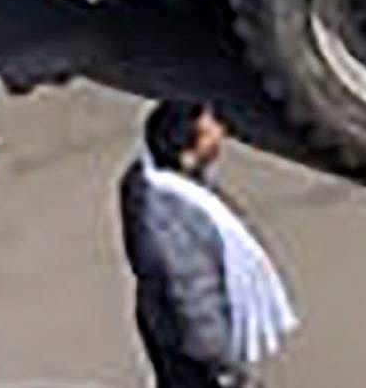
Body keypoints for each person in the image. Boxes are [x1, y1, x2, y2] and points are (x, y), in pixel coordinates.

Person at [121, 99, 298, 388]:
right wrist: (228, 366)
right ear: (187, 157)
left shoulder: (152, 177)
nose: (221, 131)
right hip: (187, 346)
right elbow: (195, 301)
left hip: (162, 323)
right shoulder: (172, 221)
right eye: (209, 130)